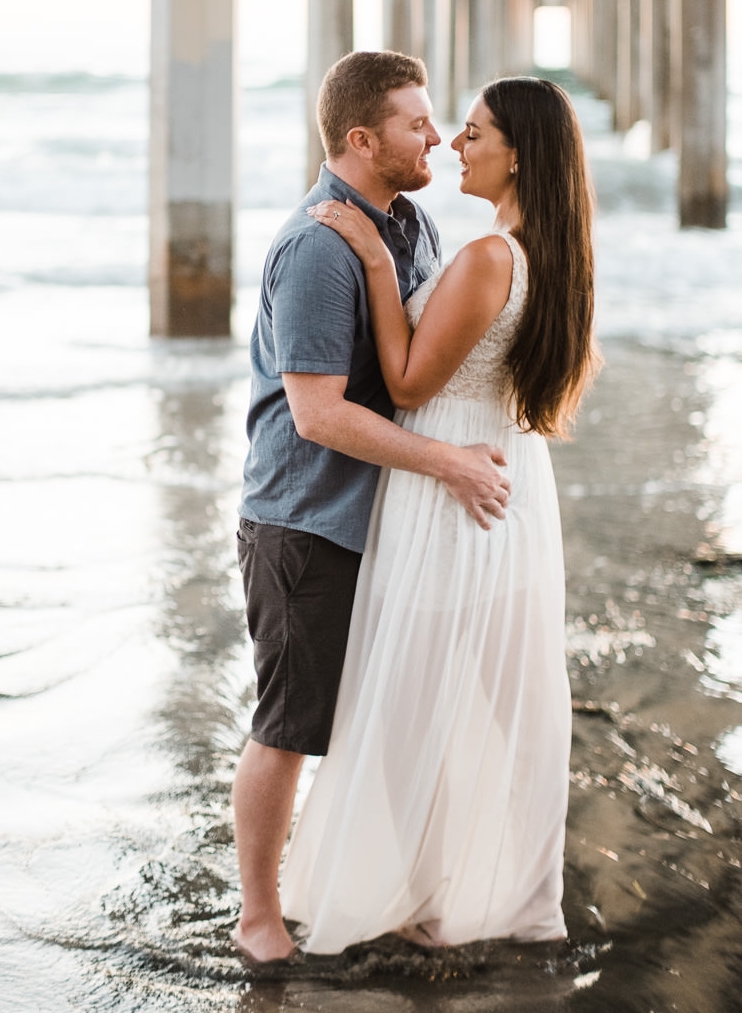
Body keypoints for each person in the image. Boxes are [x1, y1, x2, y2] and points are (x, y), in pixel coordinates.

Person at [279, 76, 601, 953]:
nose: (455, 146)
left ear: (518, 155)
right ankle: (481, 887)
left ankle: (444, 887)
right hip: (500, 474)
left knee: (415, 691)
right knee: (496, 698)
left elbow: (413, 380)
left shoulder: (492, 256)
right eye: (446, 129)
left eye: (471, 133)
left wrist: (378, 267)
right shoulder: (535, 252)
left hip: (454, 485)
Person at [233, 51, 513, 964]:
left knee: (392, 712)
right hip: (310, 522)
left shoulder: (411, 227)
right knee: (290, 724)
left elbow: (417, 368)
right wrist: (448, 463)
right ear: (362, 139)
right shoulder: (319, 244)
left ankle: (386, 891)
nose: (437, 136)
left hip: (393, 524)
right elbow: (318, 414)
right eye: (415, 123)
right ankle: (260, 917)